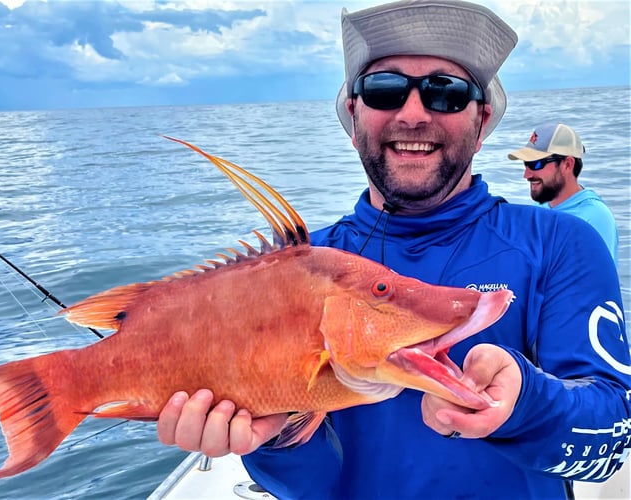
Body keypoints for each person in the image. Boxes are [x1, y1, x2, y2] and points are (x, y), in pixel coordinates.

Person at [156, 1, 631, 498]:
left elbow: (612, 446)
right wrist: (273, 442)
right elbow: (316, 489)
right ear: (355, 113)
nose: (413, 113)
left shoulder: (560, 243)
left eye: (445, 93)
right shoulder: (294, 268)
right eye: (384, 90)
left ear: (482, 118)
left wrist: (525, 404)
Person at [508, 122, 619, 264]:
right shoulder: (538, 209)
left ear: (567, 164)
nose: (527, 174)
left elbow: (596, 282)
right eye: (526, 164)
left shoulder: (595, 217)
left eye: (536, 164)